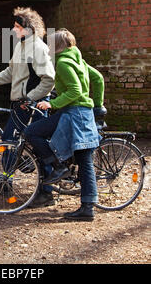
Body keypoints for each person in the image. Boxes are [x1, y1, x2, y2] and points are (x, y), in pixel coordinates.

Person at [0, 6, 56, 206]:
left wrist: (30, 99)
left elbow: (49, 80)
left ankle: (47, 192)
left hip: (31, 106)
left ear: (27, 28)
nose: (13, 30)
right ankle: (6, 182)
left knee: (37, 146)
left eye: (16, 26)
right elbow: (11, 72)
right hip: (21, 105)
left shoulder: (38, 48)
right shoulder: (22, 46)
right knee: (8, 140)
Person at [24, 28, 105, 221]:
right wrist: (98, 106)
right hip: (79, 112)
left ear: (57, 46)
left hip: (74, 114)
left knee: (33, 132)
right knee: (84, 160)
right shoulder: (78, 60)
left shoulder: (62, 63)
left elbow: (75, 90)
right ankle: (85, 204)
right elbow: (98, 79)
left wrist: (53, 103)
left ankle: (59, 167)